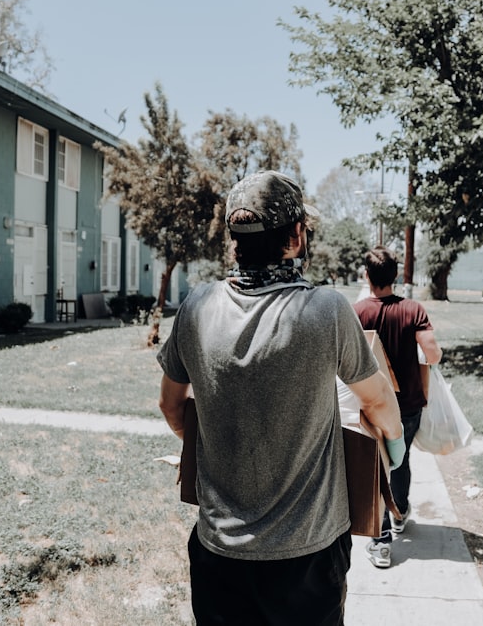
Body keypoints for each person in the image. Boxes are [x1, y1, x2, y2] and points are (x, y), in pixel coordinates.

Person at [157, 170, 405, 625]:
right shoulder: (326, 310)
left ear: (235, 238)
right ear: (295, 236)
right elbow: (380, 404)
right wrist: (395, 444)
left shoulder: (196, 307)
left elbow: (172, 407)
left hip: (220, 554)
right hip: (307, 560)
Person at [353, 247, 443, 569]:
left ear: (367, 276)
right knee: (400, 459)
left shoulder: (357, 312)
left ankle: (381, 542)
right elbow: (432, 354)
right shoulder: (412, 310)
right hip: (407, 404)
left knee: (377, 466)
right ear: (395, 275)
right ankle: (400, 511)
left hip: (370, 404)